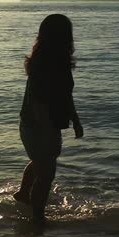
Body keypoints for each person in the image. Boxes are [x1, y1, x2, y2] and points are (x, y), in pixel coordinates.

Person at [13, 14, 84, 223]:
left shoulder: (57, 61)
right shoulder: (44, 64)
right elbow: (38, 102)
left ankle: (23, 195)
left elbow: (66, 94)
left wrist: (76, 120)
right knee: (46, 174)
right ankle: (37, 221)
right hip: (38, 125)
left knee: (42, 163)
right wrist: (47, 131)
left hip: (41, 125)